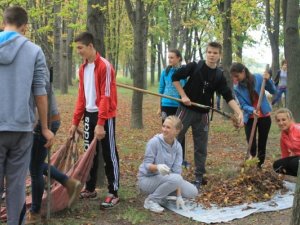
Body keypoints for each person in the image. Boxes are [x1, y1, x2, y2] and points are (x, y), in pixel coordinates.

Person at [0, 6, 54, 225]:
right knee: (16, 186)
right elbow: (40, 92)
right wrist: (45, 127)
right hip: (22, 129)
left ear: (4, 22)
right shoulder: (34, 51)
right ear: (24, 26)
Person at [172, 42, 243, 189]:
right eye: (209, 52)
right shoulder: (194, 66)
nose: (212, 55)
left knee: (201, 147)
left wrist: (239, 112)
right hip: (186, 109)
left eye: (215, 53)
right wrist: (183, 95)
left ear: (219, 55)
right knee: (174, 139)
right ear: (206, 53)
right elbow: (175, 77)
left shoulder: (219, 75)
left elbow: (228, 96)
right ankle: (172, 173)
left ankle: (198, 177)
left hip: (203, 114)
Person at [69, 32, 119, 209]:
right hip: (89, 114)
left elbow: (105, 96)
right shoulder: (82, 68)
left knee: (108, 152)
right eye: (77, 49)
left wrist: (100, 123)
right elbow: (81, 97)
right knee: (89, 153)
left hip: (105, 115)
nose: (79, 51)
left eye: (80, 48)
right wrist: (75, 122)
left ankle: (113, 192)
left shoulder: (104, 66)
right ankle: (90, 188)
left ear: (90, 46)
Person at [26, 72, 82, 224]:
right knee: (34, 163)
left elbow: (40, 99)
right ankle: (69, 183)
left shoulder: (34, 73)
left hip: (42, 123)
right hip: (44, 122)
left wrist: (38, 126)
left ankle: (35, 213)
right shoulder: (34, 70)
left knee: (35, 167)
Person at [138, 116, 198, 213]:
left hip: (168, 179)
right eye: (163, 126)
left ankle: (163, 195)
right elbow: (146, 165)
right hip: (147, 179)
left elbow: (177, 173)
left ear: (177, 131)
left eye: (168, 127)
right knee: (175, 179)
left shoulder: (178, 147)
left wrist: (179, 196)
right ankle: (151, 200)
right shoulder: (154, 142)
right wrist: (157, 167)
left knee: (192, 192)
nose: (164, 130)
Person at [230, 62, 276, 168]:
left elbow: (273, 90)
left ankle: (259, 165)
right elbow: (243, 105)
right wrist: (252, 110)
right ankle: (252, 162)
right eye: (233, 77)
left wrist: (268, 80)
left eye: (237, 76)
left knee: (262, 142)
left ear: (243, 71)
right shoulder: (237, 88)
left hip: (264, 116)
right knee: (251, 144)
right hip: (250, 118)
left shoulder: (259, 78)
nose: (235, 79)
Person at [157, 49, 188, 166]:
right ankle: (166, 158)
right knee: (166, 130)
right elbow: (160, 90)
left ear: (179, 58)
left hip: (179, 106)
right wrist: (159, 107)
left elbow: (185, 88)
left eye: (172, 57)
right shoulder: (165, 72)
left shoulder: (183, 72)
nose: (170, 60)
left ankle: (180, 159)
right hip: (166, 105)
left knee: (179, 131)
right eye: (168, 57)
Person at [273, 108, 300, 177]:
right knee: (277, 166)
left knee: (294, 163)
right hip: (298, 158)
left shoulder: (298, 129)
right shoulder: (283, 136)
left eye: (284, 119)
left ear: (290, 119)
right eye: (278, 120)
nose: (281, 123)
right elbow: (285, 154)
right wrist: (281, 173)